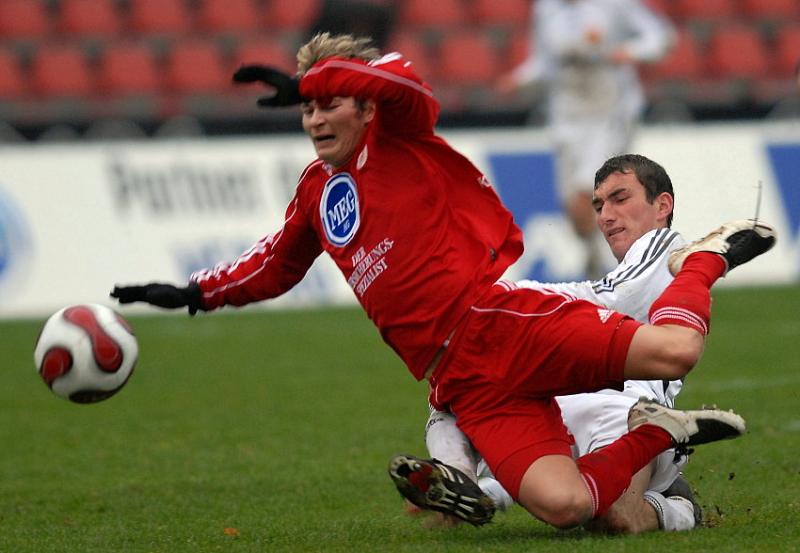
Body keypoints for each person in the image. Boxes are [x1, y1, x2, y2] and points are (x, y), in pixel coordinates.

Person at [110, 33, 776, 532]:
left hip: (500, 322)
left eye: (327, 103)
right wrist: (195, 294)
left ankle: (703, 260)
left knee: (675, 350)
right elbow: (272, 264)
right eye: (305, 109)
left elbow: (405, 82)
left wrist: (325, 74)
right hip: (463, 381)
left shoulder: (397, 130)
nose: (314, 119)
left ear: (361, 104)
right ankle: (659, 431)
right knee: (567, 504)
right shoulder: (316, 192)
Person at [415, 153, 701, 533]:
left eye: (620, 198)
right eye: (599, 205)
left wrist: (505, 302)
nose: (605, 215)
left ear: (662, 205)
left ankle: (680, 508)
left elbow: (612, 297)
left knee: (613, 518)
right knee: (458, 382)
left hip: (628, 415)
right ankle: (461, 479)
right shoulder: (614, 272)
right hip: (555, 408)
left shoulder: (667, 250)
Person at [496, 0, 675, 278]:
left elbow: (660, 37)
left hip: (609, 113)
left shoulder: (616, 5)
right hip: (567, 116)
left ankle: (636, 269)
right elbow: (544, 61)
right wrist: (519, 80)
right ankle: (595, 263)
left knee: (588, 195)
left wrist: (629, 51)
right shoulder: (546, 8)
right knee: (574, 211)